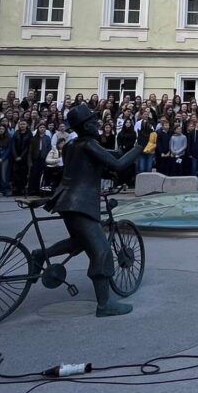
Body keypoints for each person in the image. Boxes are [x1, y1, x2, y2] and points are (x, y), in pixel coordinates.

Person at [36, 103, 144, 317]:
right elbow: (118, 164)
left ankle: (40, 255)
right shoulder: (88, 144)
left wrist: (106, 174)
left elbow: (84, 170)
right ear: (84, 126)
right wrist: (141, 147)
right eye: (93, 122)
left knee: (79, 241)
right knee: (101, 251)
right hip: (80, 203)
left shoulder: (72, 145)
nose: (97, 124)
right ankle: (104, 305)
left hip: (65, 200)